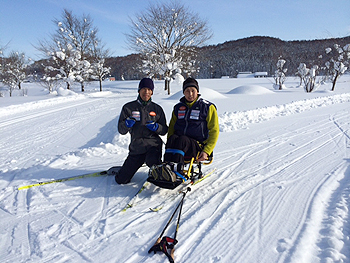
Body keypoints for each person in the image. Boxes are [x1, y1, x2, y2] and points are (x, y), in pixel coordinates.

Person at [115, 78, 168, 184]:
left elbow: (164, 130)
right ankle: (125, 170)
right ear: (139, 90)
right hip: (137, 148)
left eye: (149, 90)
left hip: (153, 147)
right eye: (144, 89)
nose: (146, 92)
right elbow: (121, 130)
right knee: (121, 180)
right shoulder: (128, 108)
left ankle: (157, 167)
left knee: (158, 175)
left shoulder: (157, 109)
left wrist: (157, 127)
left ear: (152, 92)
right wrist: (126, 124)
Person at [164, 77, 219, 175]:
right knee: (173, 138)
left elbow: (214, 131)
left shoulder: (207, 107)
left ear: (197, 91)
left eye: (193, 91)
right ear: (183, 92)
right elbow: (172, 127)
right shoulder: (178, 108)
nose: (190, 94)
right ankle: (166, 168)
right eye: (187, 91)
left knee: (182, 140)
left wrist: (207, 151)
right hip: (181, 142)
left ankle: (177, 171)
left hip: (197, 146)